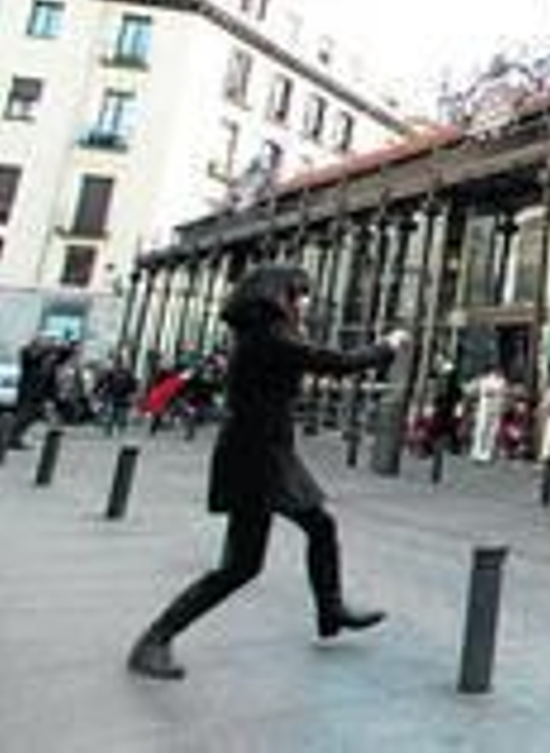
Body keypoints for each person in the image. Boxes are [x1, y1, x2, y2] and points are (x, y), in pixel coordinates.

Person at [126, 263, 409, 681]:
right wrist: (388, 344)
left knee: (314, 527)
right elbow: (337, 362)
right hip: (255, 455)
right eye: (302, 293)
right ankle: (155, 639)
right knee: (242, 565)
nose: (306, 302)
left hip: (265, 451)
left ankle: (330, 611)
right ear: (281, 294)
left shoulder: (264, 333)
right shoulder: (269, 336)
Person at [470, 365, 508, 463]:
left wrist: (496, 393)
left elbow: (502, 393)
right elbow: (486, 391)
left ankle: (487, 453)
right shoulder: (485, 380)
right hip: (485, 408)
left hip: (496, 409)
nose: (499, 372)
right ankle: (477, 452)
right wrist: (495, 392)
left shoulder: (502, 381)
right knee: (481, 429)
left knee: (492, 432)